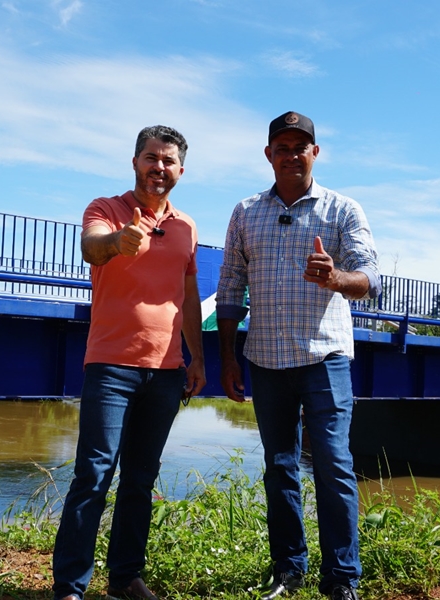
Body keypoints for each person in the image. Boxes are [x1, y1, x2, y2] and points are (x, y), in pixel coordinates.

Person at [216, 111, 380, 600]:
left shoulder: (342, 210)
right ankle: (289, 570)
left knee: (332, 464)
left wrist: (335, 278)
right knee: (280, 466)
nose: (291, 155)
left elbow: (370, 278)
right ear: (269, 155)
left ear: (315, 152)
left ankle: (342, 578)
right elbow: (229, 286)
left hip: (324, 360)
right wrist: (227, 357)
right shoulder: (246, 212)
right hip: (265, 360)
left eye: (300, 147)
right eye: (281, 147)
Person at [52, 126, 206, 600]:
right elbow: (91, 247)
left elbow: (189, 293)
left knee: (140, 480)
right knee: (94, 475)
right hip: (111, 365)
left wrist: (196, 356)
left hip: (166, 370)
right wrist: (121, 241)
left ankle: (124, 579)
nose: (159, 167)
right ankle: (71, 587)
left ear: (181, 170)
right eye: (150, 158)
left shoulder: (186, 226)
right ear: (135, 161)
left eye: (168, 161)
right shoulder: (106, 209)